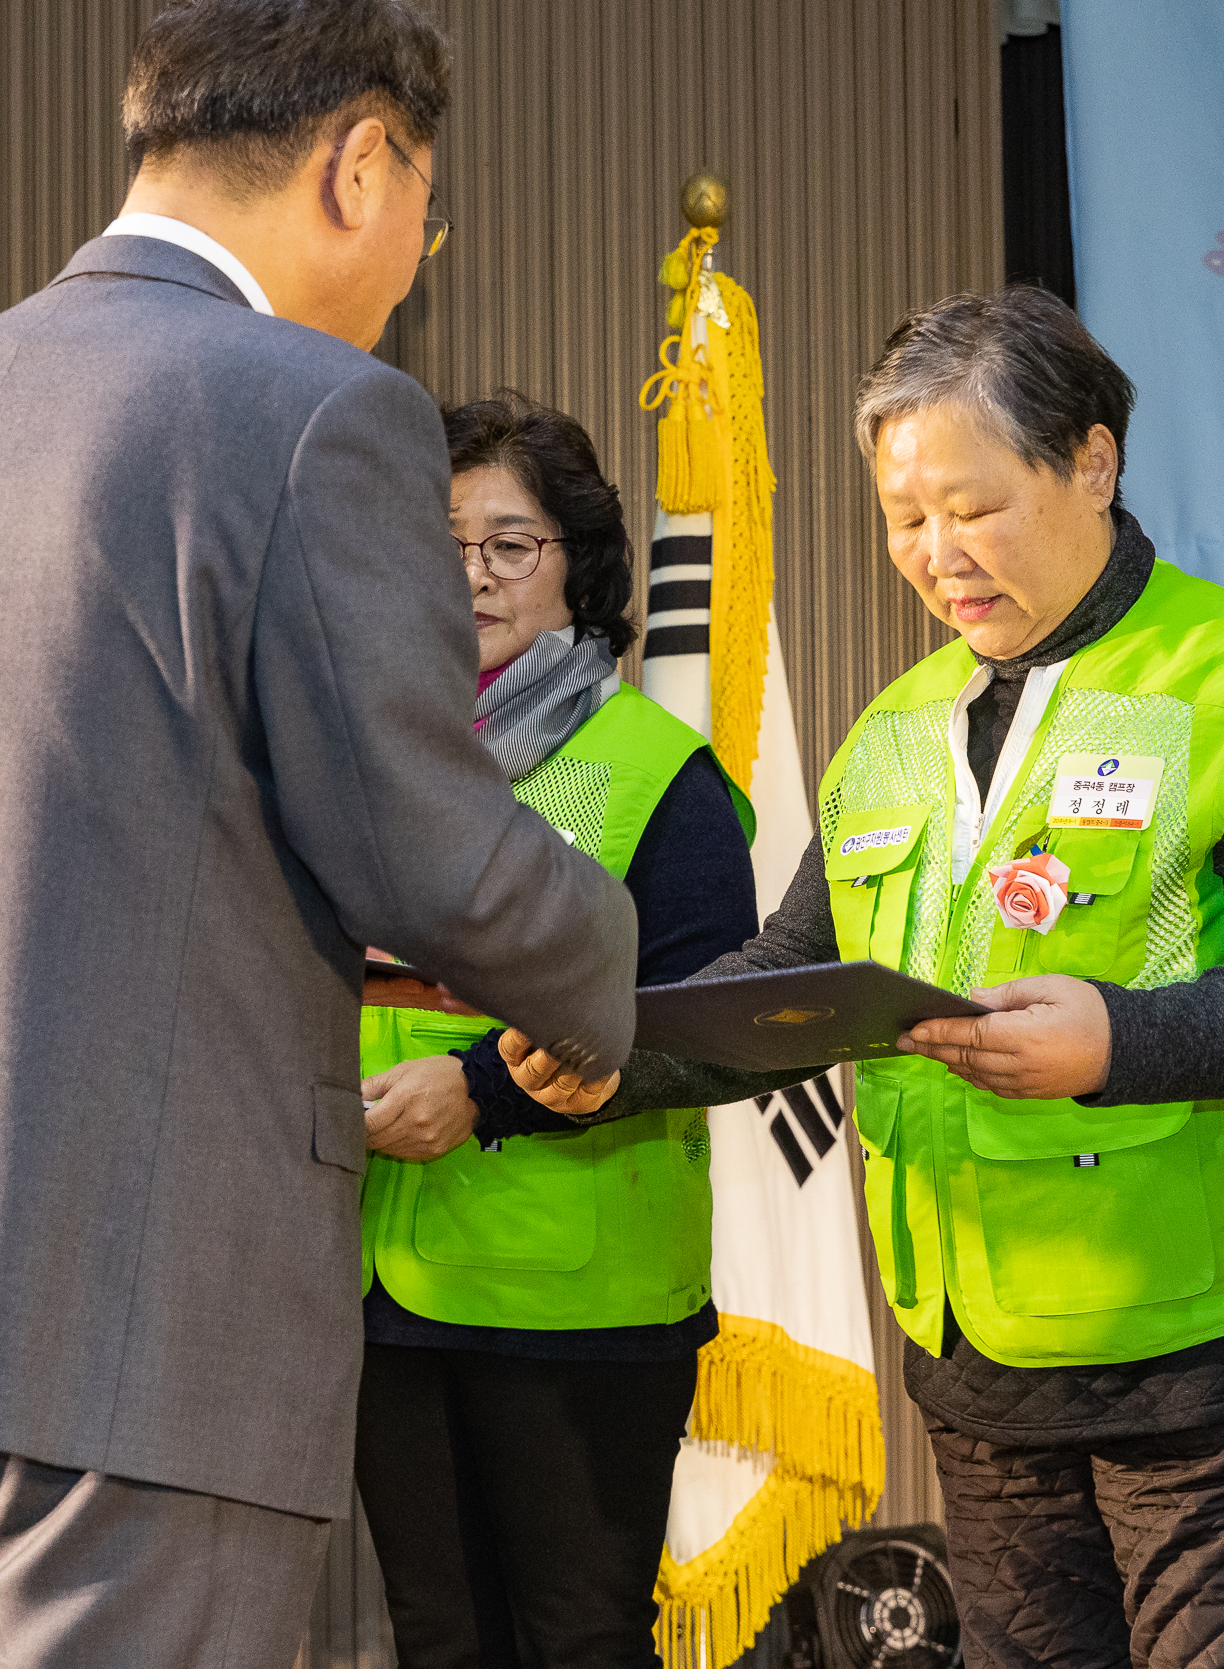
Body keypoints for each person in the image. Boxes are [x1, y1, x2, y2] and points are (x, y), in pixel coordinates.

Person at [0, 0, 640, 1668]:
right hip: (135, 1296)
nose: (407, 270)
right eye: (422, 217)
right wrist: (603, 970)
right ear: (359, 165)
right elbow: (419, 838)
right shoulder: (314, 410)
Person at [513, 286, 1224, 1669]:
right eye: (903, 519)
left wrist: (1119, 1041)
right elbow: (788, 982)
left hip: (1218, 1364)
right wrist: (618, 1056)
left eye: (971, 507)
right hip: (982, 1370)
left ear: (1092, 463)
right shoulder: (892, 730)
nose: (936, 554)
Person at [355, 393, 756, 1668]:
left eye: (509, 543)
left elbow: (709, 1025)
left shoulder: (659, 771)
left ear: (577, 567)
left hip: (581, 1305)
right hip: (377, 1285)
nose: (471, 573)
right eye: (444, 541)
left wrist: (487, 1091)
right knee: (438, 1637)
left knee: (578, 1641)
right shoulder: (365, 758)